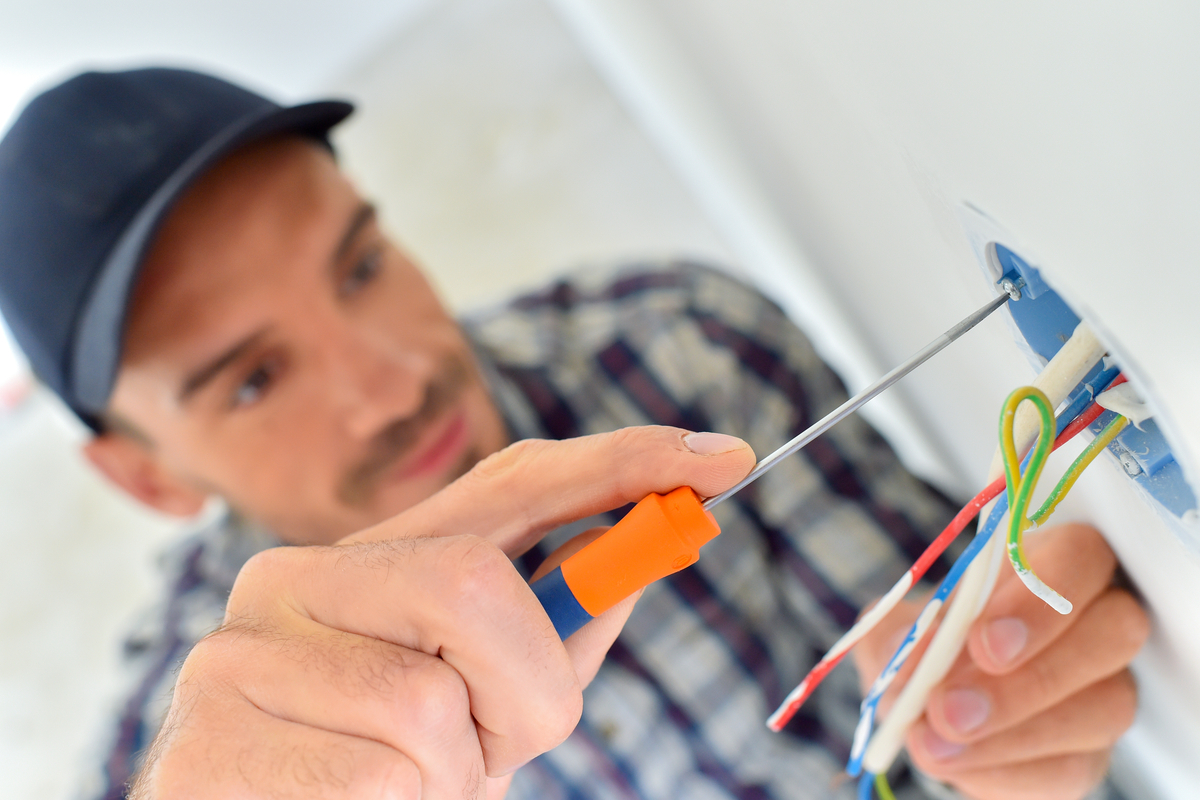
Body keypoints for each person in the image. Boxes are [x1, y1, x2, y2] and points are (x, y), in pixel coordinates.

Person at [0, 68, 1147, 800]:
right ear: (144, 476)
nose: (392, 385)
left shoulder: (685, 350)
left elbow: (957, 684)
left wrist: (1008, 725)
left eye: (359, 266)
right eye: (254, 380)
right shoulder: (179, 755)